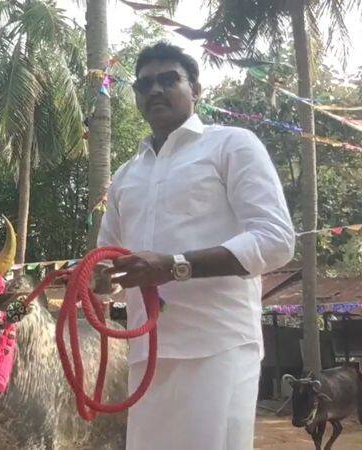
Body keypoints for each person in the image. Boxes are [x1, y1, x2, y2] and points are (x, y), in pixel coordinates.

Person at [96, 42, 295, 450]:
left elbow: (275, 241)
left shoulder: (232, 144)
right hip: (146, 353)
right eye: (145, 84)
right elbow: (109, 264)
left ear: (197, 90)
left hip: (217, 344)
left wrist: (174, 266)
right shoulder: (125, 175)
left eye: (169, 79)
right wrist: (100, 280)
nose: (155, 90)